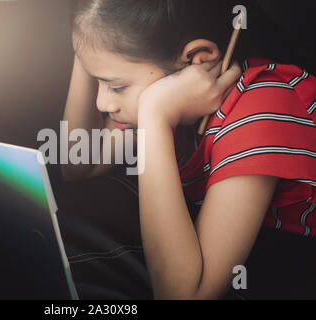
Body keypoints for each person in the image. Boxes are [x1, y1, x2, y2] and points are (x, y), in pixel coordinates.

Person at [57, 0, 316, 299]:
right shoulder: (162, 87)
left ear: (196, 59)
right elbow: (80, 164)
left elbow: (183, 295)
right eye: (97, 81)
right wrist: (88, 47)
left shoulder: (262, 110)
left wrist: (156, 113)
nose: (102, 104)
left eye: (116, 87)